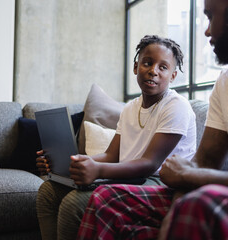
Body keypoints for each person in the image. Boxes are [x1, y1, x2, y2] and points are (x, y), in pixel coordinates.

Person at [76, 0, 228, 239]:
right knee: (106, 200)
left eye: (211, 16)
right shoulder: (227, 81)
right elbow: (203, 163)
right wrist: (178, 201)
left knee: (199, 208)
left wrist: (189, 179)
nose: (207, 31)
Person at [35, 35, 197, 240]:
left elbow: (150, 163)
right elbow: (112, 155)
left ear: (172, 76)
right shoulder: (130, 108)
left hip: (158, 182)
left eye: (163, 67)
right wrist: (74, 163)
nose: (153, 71)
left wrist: (98, 170)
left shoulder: (176, 106)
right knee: (48, 192)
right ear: (136, 67)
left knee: (73, 204)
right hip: (131, 178)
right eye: (147, 63)